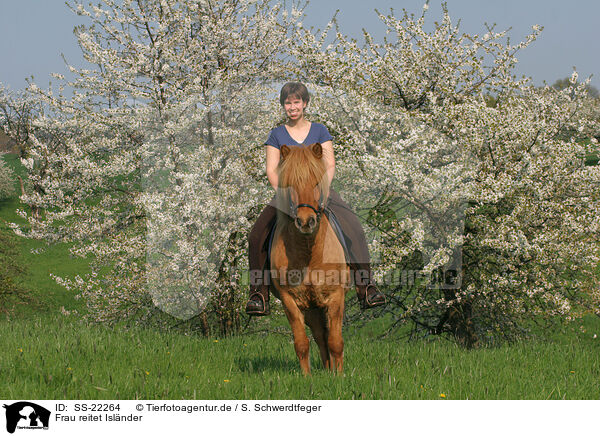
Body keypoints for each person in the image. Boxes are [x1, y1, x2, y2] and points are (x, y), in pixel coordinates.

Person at [245, 82, 386, 316]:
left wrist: (323, 190)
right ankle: (258, 293)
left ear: (305, 104)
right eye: (288, 102)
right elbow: (271, 169)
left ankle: (367, 286)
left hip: (320, 192)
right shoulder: (277, 134)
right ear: (283, 106)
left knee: (355, 228)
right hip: (288, 195)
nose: (292, 106)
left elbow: (329, 164)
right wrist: (284, 193)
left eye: (296, 102)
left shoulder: (320, 131)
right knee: (256, 235)